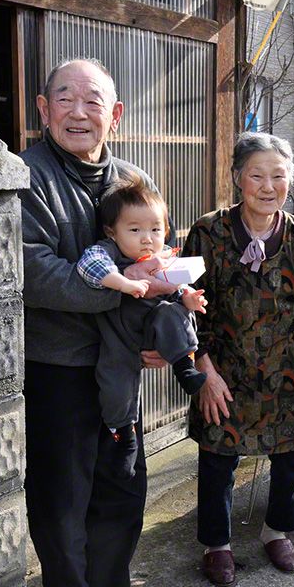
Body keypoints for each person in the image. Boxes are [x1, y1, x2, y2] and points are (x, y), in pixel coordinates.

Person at [19, 58, 169, 587]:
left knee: (123, 487)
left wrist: (158, 321)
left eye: (93, 101)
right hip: (57, 370)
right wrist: (131, 292)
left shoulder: (132, 179)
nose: (78, 112)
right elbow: (34, 272)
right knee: (63, 504)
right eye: (64, 98)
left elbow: (160, 253)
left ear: (117, 115)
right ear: (43, 109)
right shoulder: (25, 175)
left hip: (118, 368)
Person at [181, 132, 294, 587]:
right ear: (237, 179)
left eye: (279, 176)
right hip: (226, 368)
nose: (269, 186)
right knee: (218, 455)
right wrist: (203, 371)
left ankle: (277, 530)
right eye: (257, 175)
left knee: (293, 454)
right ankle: (216, 545)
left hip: (292, 364)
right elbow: (185, 309)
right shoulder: (208, 232)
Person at [75, 177, 208, 478]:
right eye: (135, 230)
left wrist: (188, 299)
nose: (147, 238)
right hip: (119, 337)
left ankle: (184, 369)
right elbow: (88, 266)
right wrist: (125, 283)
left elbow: (178, 288)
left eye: (155, 230)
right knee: (115, 385)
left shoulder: (164, 259)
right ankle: (125, 437)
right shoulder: (108, 250)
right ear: (112, 231)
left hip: (153, 329)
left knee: (171, 315)